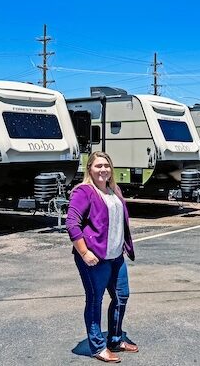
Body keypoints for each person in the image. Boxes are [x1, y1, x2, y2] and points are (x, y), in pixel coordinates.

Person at [66, 151, 138, 363]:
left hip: (116, 256)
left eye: (106, 165)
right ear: (89, 169)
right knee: (95, 300)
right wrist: (84, 252)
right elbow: (72, 224)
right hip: (94, 258)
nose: (103, 169)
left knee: (121, 296)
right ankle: (98, 346)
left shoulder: (114, 190)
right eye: (98, 166)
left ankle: (115, 339)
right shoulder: (84, 192)